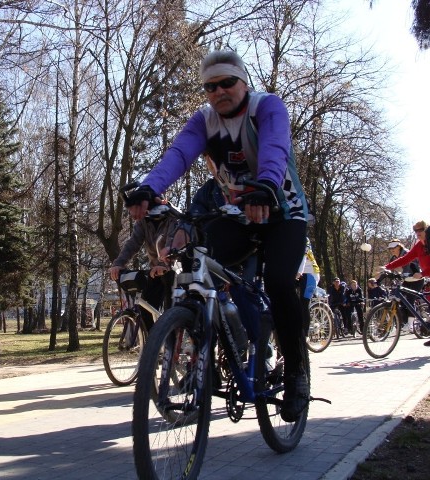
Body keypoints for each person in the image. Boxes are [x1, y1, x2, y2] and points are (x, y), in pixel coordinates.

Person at [126, 50, 310, 422]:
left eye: (227, 82)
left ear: (244, 81)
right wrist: (149, 188)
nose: (219, 91)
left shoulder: (267, 107)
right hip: (237, 216)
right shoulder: (204, 121)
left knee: (277, 281)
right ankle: (212, 353)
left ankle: (296, 373)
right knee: (200, 264)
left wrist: (266, 187)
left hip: (283, 212)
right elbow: (177, 156)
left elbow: (274, 149)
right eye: (210, 86)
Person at [109, 205, 176, 330]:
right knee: (145, 310)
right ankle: (152, 346)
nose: (134, 214)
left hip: (176, 270)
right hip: (155, 271)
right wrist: (118, 264)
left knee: (170, 312)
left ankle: (172, 343)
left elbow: (172, 241)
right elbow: (133, 243)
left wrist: (164, 264)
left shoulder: (172, 218)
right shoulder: (144, 222)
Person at [297, 238, 320, 333]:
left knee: (304, 302)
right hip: (300, 275)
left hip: (310, 275)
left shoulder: (304, 240)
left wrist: (298, 272)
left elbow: (303, 258)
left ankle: (305, 334)